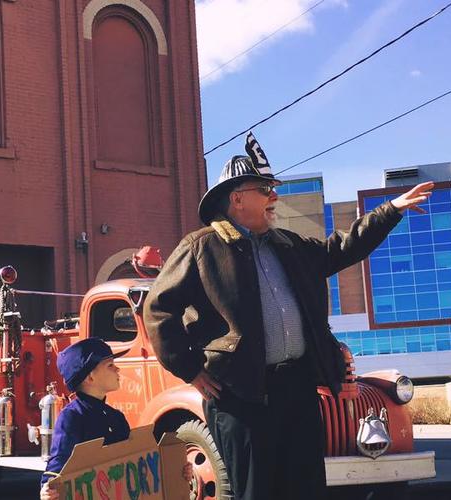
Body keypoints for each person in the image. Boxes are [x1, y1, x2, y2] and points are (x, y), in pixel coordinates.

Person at [143, 143, 433, 499]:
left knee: (305, 487)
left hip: (297, 389)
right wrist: (191, 370)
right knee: (256, 491)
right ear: (237, 199)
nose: (274, 197)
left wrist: (390, 211)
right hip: (240, 394)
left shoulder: (288, 245)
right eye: (265, 189)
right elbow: (157, 309)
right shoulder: (200, 248)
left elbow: (341, 249)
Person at [40, 338, 130, 500]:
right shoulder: (72, 417)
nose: (118, 369)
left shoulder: (116, 417)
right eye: (110, 365)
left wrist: (173, 469)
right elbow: (60, 461)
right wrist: (48, 488)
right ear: (90, 377)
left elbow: (136, 459)